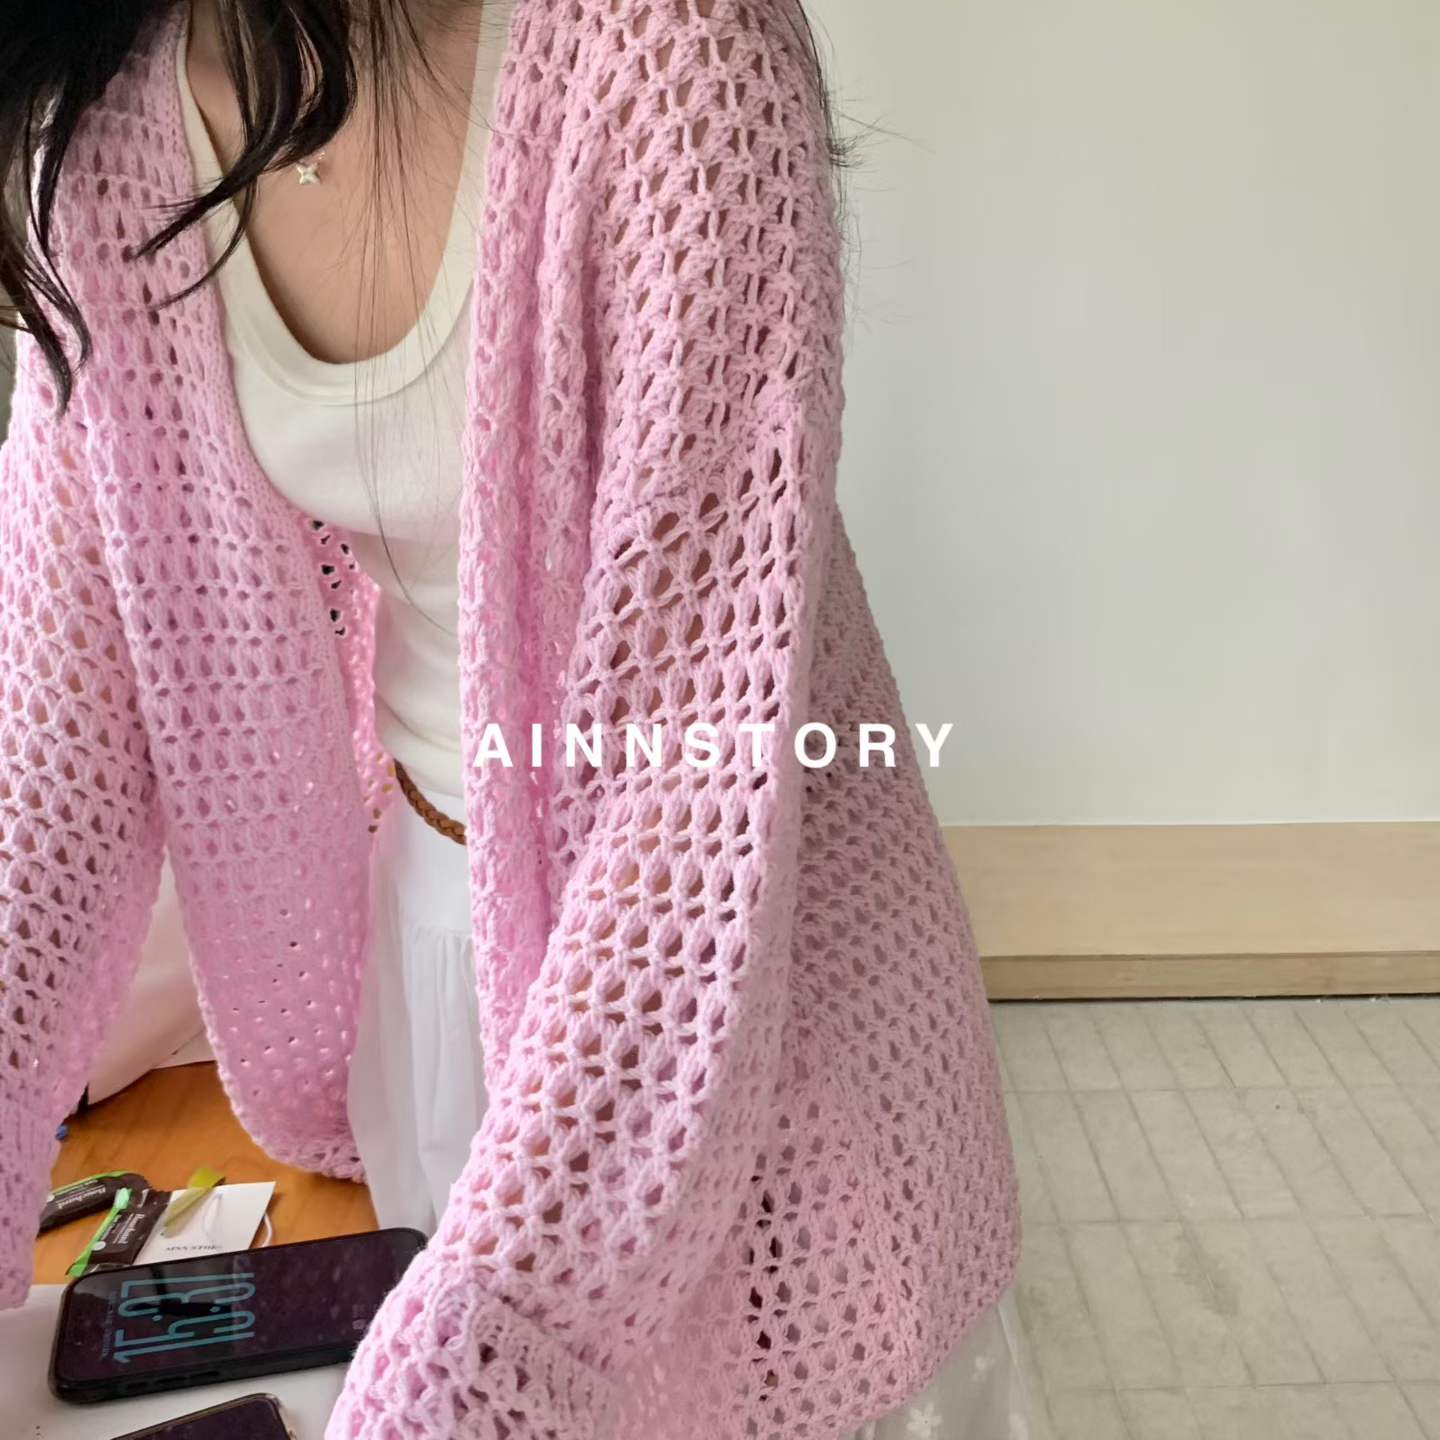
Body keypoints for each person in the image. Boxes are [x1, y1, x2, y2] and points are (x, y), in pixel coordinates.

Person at [0, 1, 1026, 1435]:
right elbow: (52, 754)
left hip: (757, 981)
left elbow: (691, 797)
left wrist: (474, 1370)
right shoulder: (108, 120)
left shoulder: (676, 57)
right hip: (433, 946)